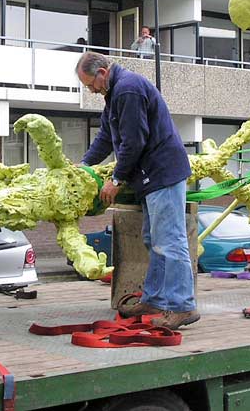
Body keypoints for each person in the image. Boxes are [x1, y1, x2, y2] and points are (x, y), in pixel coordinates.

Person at [76, 51, 198, 330]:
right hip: (150, 178)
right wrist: (83, 164)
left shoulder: (128, 89)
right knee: (153, 240)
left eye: (90, 84)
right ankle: (155, 299)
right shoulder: (114, 94)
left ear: (102, 73)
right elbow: (107, 137)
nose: (91, 90)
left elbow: (134, 141)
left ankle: (183, 306)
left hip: (162, 174)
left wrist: (116, 180)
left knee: (170, 241)